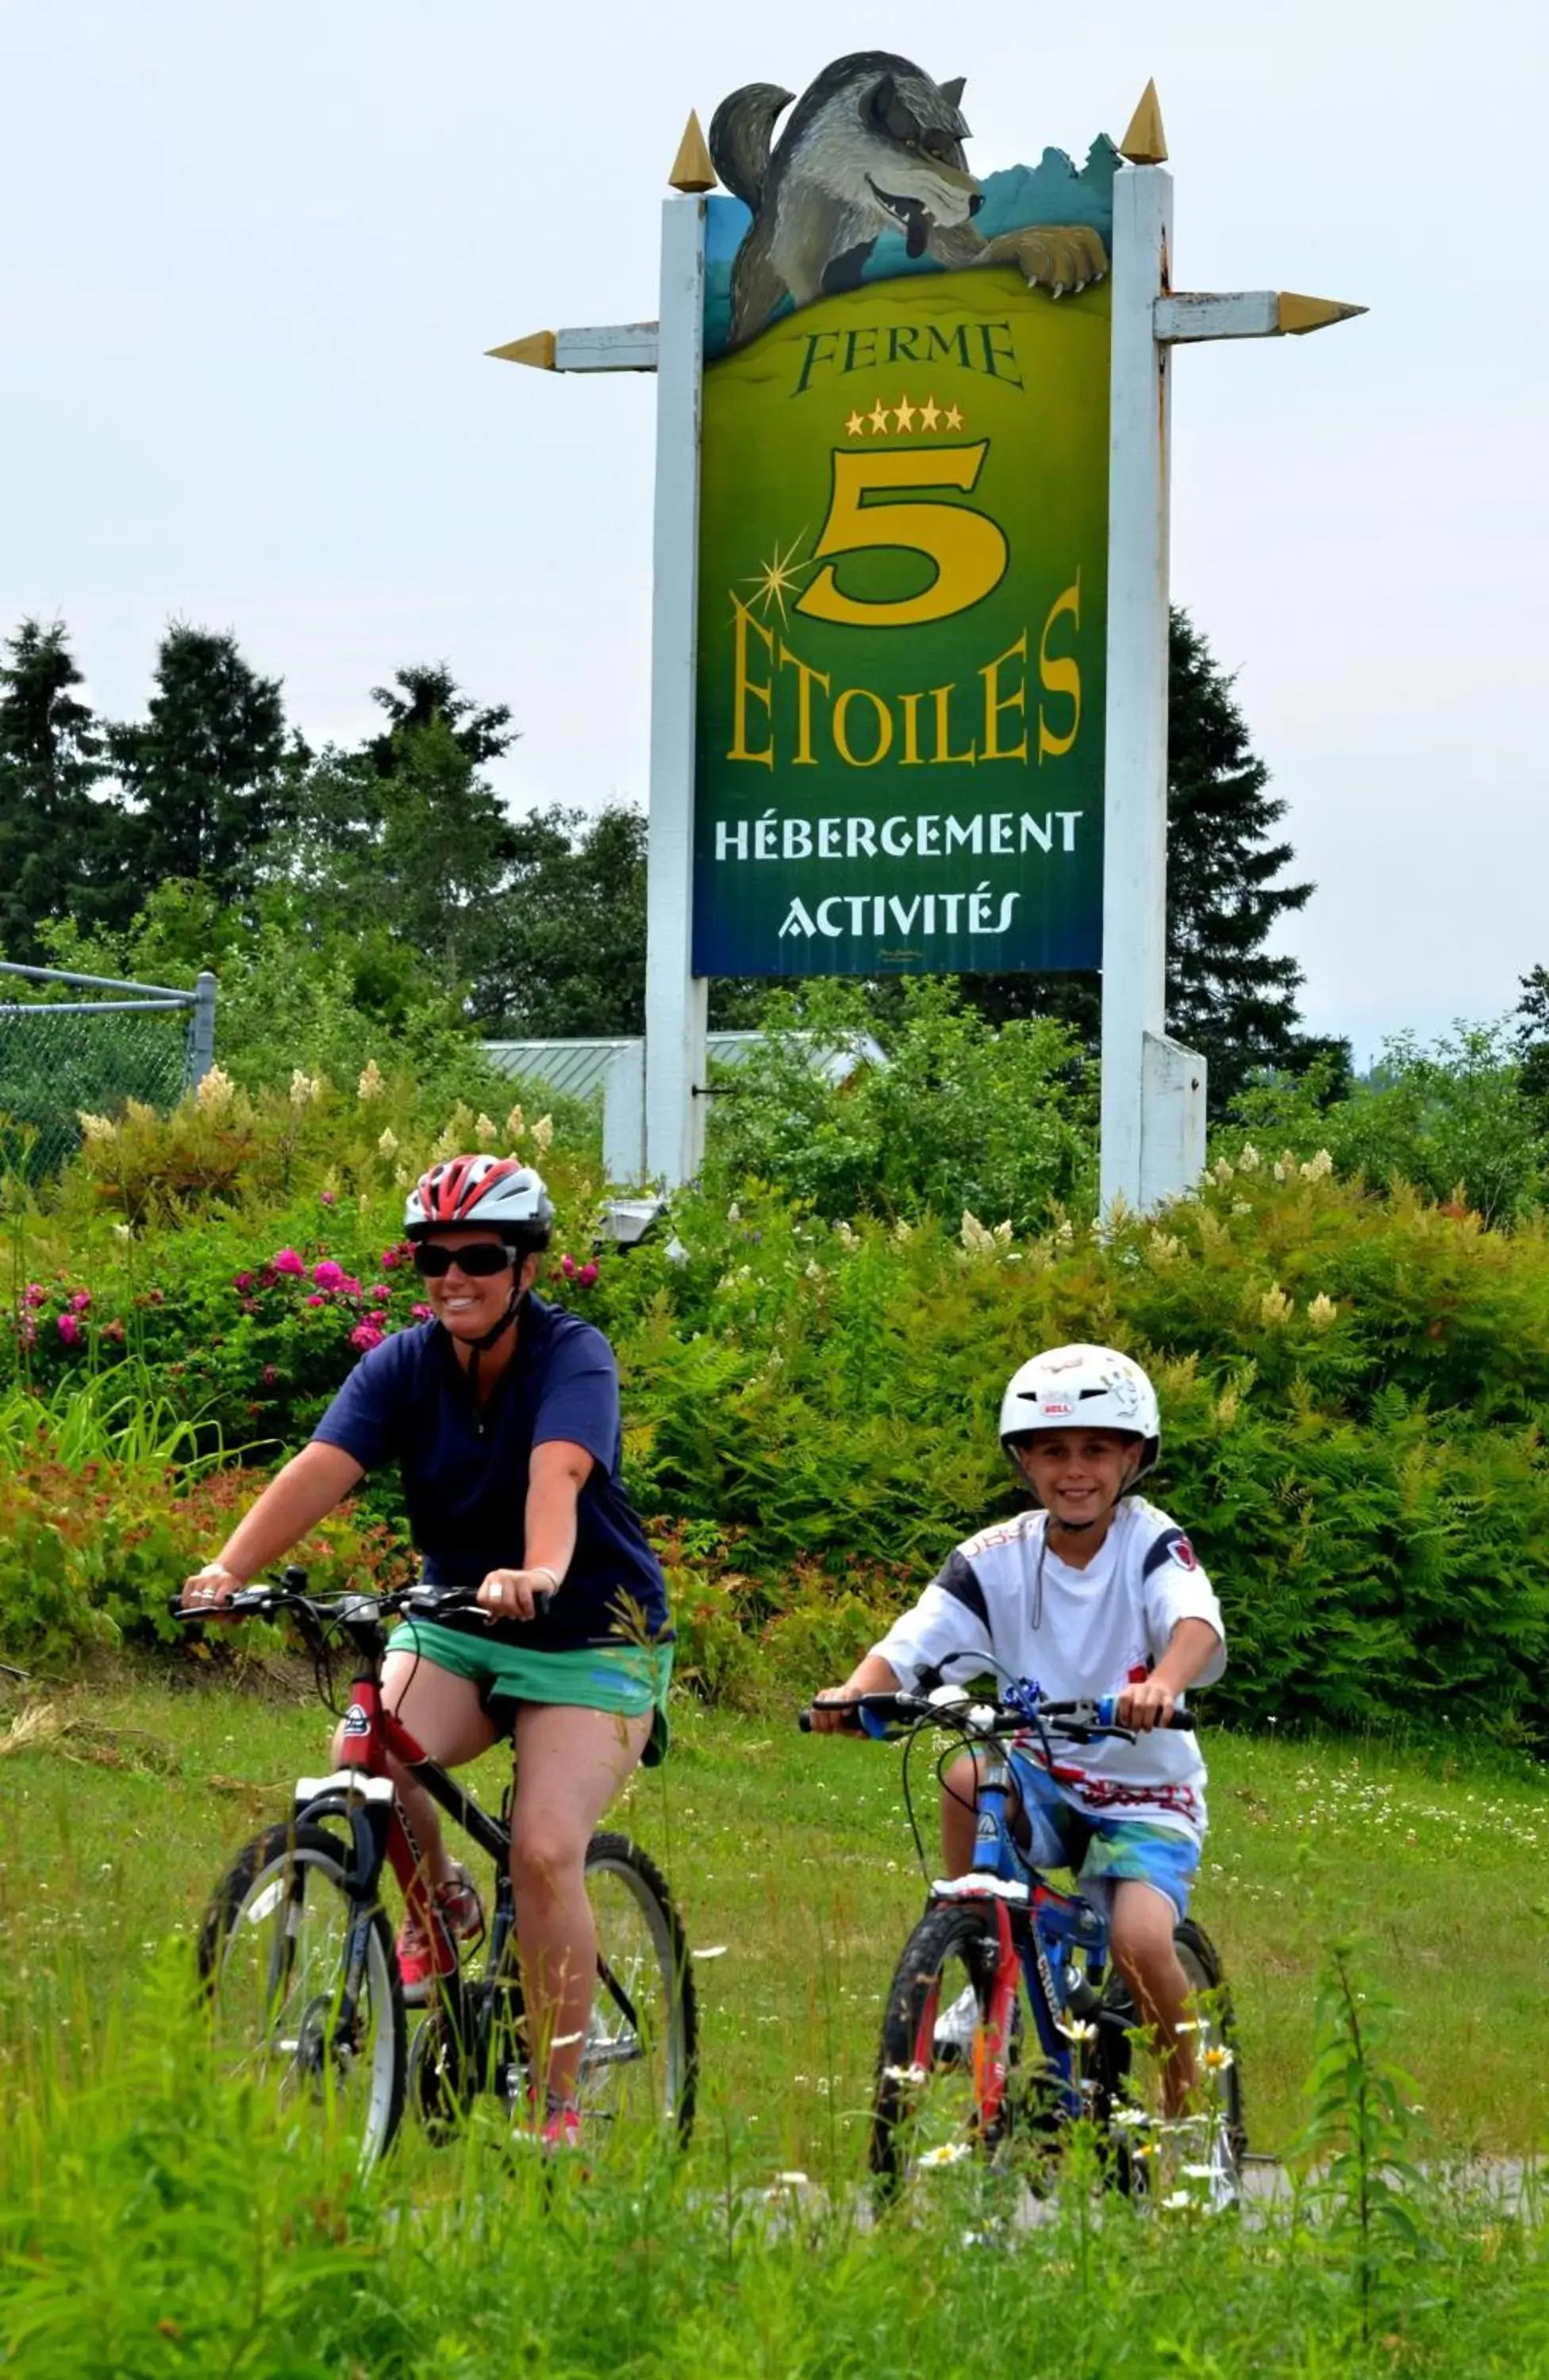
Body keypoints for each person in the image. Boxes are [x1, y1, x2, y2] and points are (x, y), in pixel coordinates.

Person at [182, 1154, 672, 2151]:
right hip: (455, 1613)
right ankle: (439, 1904)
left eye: (479, 1256)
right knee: (362, 1750)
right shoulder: (402, 1363)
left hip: (589, 1635)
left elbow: (559, 1473)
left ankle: (555, 2108)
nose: (454, 1276)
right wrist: (227, 1569)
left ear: (525, 1266)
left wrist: (535, 1570)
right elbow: (323, 1466)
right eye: (432, 1258)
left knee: (541, 1850)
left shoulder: (572, 1357)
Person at [810, 1343, 1224, 2116]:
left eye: (1096, 1449)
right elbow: (915, 1640)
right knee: (966, 1772)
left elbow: (1193, 1621)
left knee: (1135, 1940)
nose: (1075, 1469)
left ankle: (1187, 2093)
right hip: (1040, 1774)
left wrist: (1163, 1683)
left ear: (1132, 1458)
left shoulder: (1149, 1542)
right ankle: (979, 1946)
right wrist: (857, 1694)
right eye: (1052, 1451)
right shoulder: (994, 1557)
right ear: (1023, 1463)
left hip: (1145, 1795)